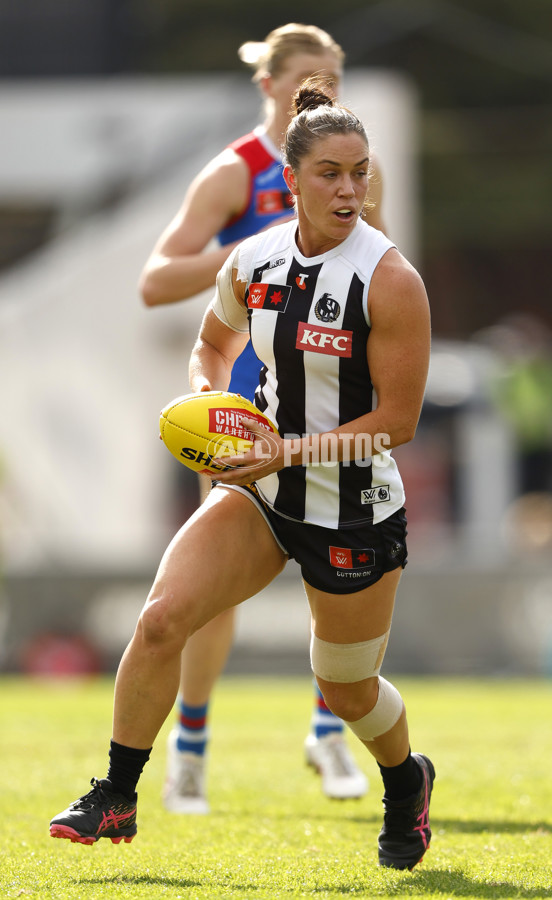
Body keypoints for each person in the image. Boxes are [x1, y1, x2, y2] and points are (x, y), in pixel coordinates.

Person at [49, 79, 434, 870]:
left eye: (360, 172)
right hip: (257, 492)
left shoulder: (390, 280)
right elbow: (210, 342)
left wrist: (285, 450)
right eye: (330, 172)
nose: (350, 189)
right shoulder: (253, 259)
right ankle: (116, 795)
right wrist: (206, 396)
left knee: (349, 689)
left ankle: (405, 782)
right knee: (162, 619)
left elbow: (398, 423)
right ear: (289, 180)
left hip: (351, 509)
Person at [139, 23, 387, 812]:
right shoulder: (238, 173)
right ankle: (192, 741)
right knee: (210, 596)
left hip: (332, 411)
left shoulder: (340, 167)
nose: (320, 89)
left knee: (345, 574)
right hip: (248, 412)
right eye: (305, 76)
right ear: (267, 85)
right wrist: (260, 252)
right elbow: (154, 280)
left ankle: (327, 737)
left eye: (332, 77)